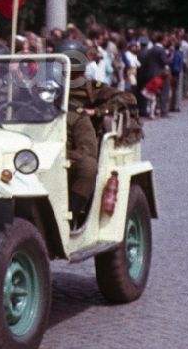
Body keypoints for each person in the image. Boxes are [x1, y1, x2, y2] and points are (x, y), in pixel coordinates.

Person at [57, 39, 140, 229]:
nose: (70, 71)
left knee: (88, 166)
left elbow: (127, 97)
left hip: (82, 138)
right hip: (48, 133)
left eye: (72, 64)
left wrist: (97, 112)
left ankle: (71, 215)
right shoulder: (48, 86)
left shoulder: (91, 88)